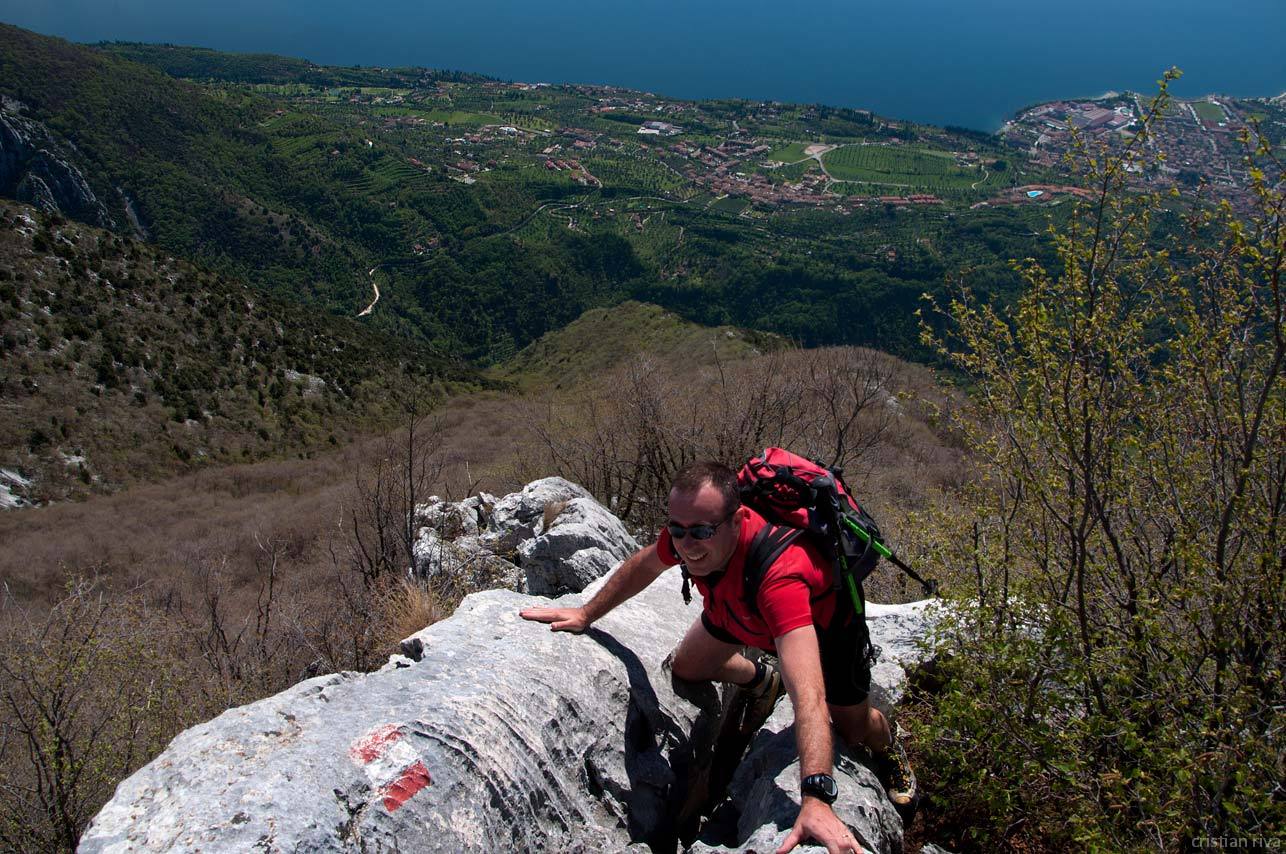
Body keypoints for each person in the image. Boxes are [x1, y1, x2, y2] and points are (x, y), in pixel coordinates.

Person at [520, 461, 915, 854]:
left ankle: (886, 744)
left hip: (823, 627)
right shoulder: (694, 535)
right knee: (688, 667)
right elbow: (646, 563)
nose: (686, 545)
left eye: (701, 531)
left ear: (737, 519)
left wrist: (816, 799)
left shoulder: (781, 578)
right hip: (738, 608)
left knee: (853, 727)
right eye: (677, 529)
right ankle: (762, 682)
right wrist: (586, 614)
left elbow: (809, 696)